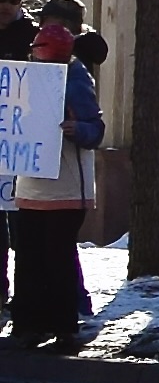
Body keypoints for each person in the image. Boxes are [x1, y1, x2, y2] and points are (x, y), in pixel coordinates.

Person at [6, 22, 102, 349]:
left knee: (57, 259)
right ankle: (29, 326)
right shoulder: (25, 79)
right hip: (31, 186)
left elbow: (95, 129)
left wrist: (79, 129)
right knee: (29, 259)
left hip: (65, 188)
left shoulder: (75, 80)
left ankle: (63, 328)